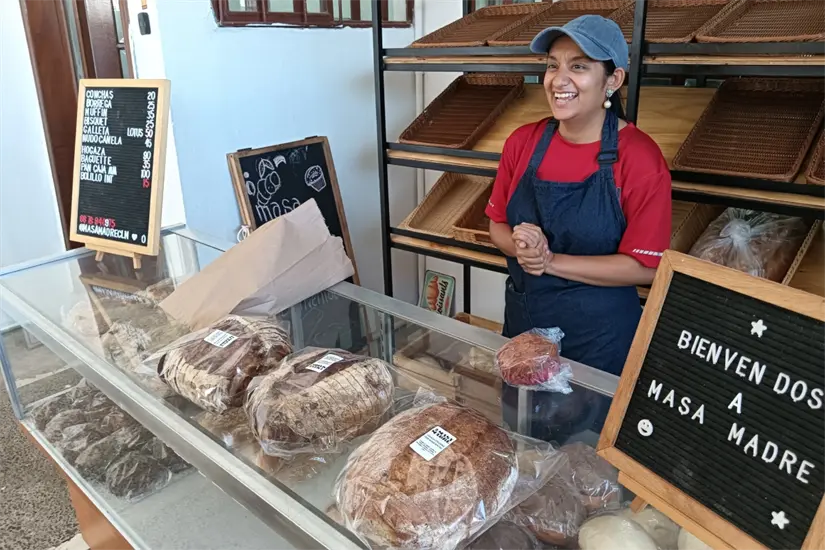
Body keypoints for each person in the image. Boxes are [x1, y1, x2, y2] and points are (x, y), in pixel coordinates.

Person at [486, 16, 672, 439]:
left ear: (613, 79)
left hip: (600, 338)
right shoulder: (523, 142)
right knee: (523, 442)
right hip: (527, 325)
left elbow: (645, 267)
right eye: (553, 65)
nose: (559, 79)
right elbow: (496, 226)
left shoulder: (639, 158)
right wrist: (519, 246)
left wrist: (550, 262)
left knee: (590, 461)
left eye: (579, 66)